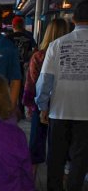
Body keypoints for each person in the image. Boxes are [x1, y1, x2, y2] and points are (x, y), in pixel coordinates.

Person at [36, 1, 88, 191]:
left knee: (55, 158)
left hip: (59, 108)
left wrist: (43, 105)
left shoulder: (57, 44)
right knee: (80, 161)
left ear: (73, 19)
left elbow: (46, 79)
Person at [22, 19, 69, 177]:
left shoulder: (39, 55)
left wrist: (30, 104)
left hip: (41, 105)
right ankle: (58, 184)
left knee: (36, 146)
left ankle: (32, 184)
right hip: (63, 106)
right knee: (60, 148)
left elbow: (32, 82)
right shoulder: (68, 55)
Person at [7, 16, 37, 117]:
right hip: (24, 67)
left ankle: (9, 110)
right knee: (22, 89)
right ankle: (20, 111)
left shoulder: (9, 37)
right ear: (23, 25)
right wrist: (27, 59)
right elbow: (35, 50)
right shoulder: (28, 36)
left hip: (10, 67)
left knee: (9, 87)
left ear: (13, 25)